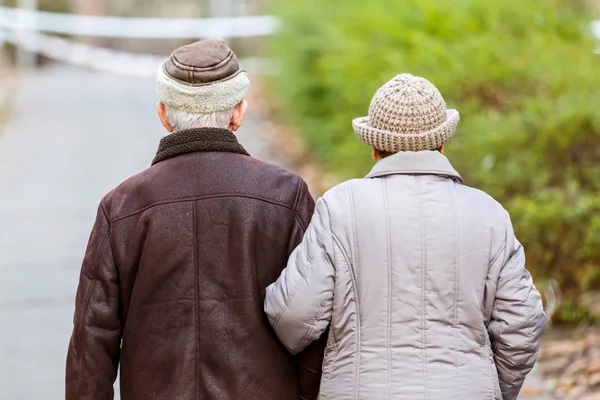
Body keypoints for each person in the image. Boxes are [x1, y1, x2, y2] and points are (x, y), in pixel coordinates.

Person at [66, 38, 326, 400]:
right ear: (238, 111)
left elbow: (92, 338)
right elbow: (313, 321)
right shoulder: (286, 196)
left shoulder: (121, 206)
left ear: (163, 113)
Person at [264, 74, 547, 400]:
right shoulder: (489, 213)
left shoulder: (340, 208)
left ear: (374, 148)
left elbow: (293, 318)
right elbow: (522, 325)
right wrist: (493, 388)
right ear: (442, 144)